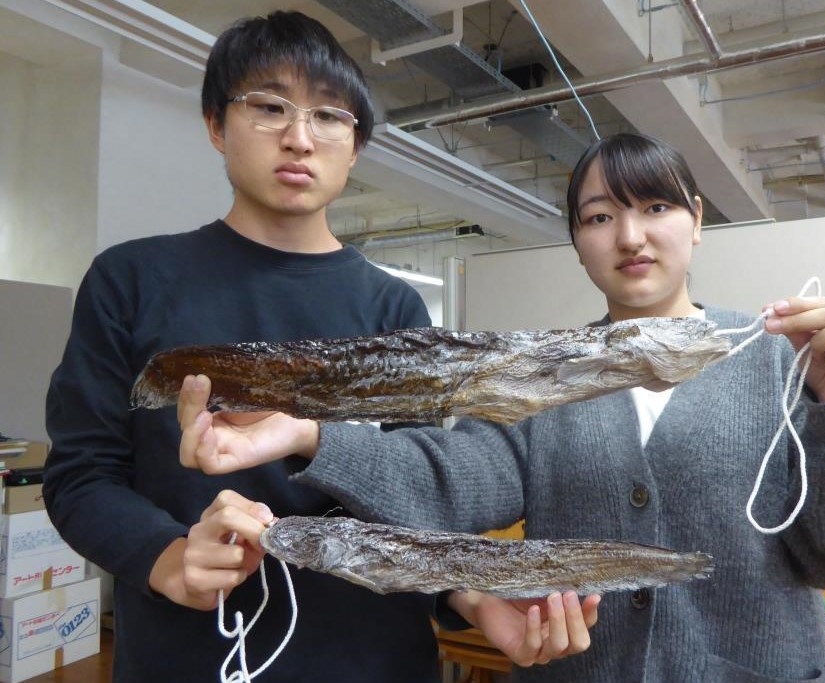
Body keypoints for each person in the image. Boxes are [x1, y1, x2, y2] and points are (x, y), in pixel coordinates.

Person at [178, 132, 825, 682]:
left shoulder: (782, 355)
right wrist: (310, 432)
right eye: (599, 217)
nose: (629, 235)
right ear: (576, 241)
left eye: (656, 206)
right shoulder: (542, 374)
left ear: (696, 220)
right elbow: (448, 477)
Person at [43, 11, 597, 683]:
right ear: (216, 124)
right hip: (189, 657)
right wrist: (163, 555)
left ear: (355, 144)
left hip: (373, 660)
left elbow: (411, 501)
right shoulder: (132, 282)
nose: (299, 138)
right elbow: (80, 475)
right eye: (270, 107)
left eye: (329, 116)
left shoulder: (394, 310)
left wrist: (472, 594)